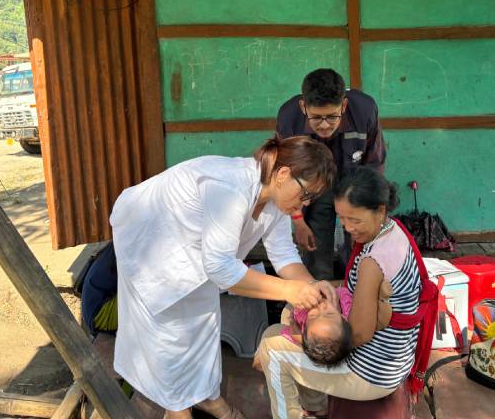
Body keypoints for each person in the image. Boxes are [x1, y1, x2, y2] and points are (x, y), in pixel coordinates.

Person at [110, 136, 338, 419]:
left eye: (310, 199)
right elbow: (219, 267)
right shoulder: (230, 187)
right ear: (282, 174)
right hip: (150, 236)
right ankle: (177, 408)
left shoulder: (278, 201)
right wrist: (288, 291)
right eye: (305, 194)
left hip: (195, 249)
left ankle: (206, 397)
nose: (303, 205)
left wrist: (311, 285)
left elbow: (283, 254)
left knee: (203, 324)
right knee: (168, 333)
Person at [255, 167, 439, 419]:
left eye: (355, 220)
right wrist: (319, 302)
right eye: (342, 218)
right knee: (292, 310)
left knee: (271, 346)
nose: (348, 227)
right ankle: (317, 406)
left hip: (371, 372)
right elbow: (358, 294)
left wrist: (307, 340)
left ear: (380, 210)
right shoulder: (393, 229)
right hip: (394, 355)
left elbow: (359, 334)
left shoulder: (373, 263)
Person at [276, 68, 386, 280]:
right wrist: (298, 222)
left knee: (359, 242)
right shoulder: (289, 118)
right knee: (315, 246)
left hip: (355, 178)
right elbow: (289, 178)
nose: (325, 125)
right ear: (303, 107)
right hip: (313, 187)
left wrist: (371, 212)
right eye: (316, 118)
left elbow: (374, 162)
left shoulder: (365, 110)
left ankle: (356, 289)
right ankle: (321, 294)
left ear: (343, 105)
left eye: (332, 116)